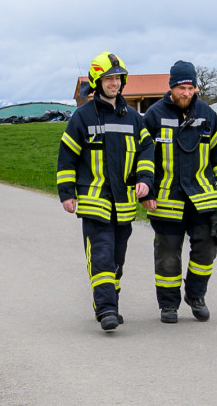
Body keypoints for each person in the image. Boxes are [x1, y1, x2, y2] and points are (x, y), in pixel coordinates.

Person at [57, 52, 155, 331]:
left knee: (117, 259)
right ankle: (106, 309)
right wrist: (67, 193)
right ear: (97, 82)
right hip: (94, 200)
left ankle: (110, 301)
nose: (114, 83)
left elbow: (147, 150)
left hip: (124, 203)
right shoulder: (82, 116)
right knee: (100, 254)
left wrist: (145, 180)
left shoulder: (133, 118)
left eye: (117, 78)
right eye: (108, 78)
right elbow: (67, 157)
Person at [141, 60, 217, 323]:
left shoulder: (207, 114)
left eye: (190, 87)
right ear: (171, 87)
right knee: (167, 254)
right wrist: (147, 190)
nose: (186, 92)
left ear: (196, 87)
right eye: (181, 87)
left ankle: (195, 296)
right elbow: (143, 157)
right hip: (167, 198)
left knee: (207, 249)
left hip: (202, 198)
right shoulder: (154, 115)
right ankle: (168, 306)